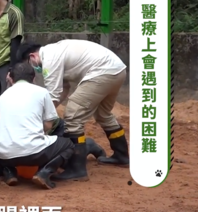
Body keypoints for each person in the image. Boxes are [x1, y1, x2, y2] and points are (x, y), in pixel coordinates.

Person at [18, 39, 128, 182]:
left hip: (102, 72)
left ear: (32, 57)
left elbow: (53, 94)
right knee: (103, 114)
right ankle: (122, 155)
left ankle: (77, 169)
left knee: (72, 115)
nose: (33, 69)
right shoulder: (54, 52)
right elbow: (62, 89)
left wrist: (39, 117)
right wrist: (48, 111)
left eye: (29, 65)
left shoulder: (49, 59)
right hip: (117, 70)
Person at [0, 63, 75, 190]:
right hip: (34, 153)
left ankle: (9, 173)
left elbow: (0, 123)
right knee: (68, 144)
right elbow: (49, 123)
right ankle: (44, 173)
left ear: (11, 78)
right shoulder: (42, 92)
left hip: (4, 155)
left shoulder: (3, 95)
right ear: (34, 79)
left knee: (4, 145)